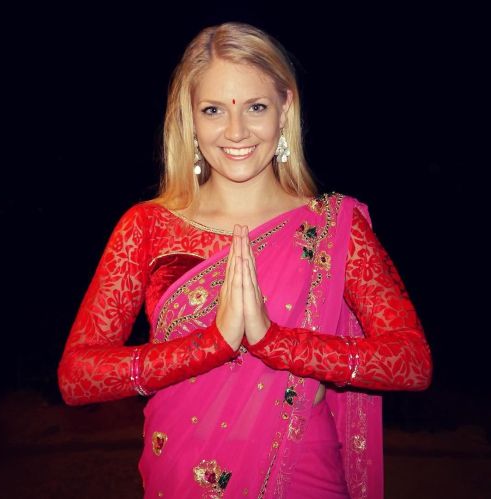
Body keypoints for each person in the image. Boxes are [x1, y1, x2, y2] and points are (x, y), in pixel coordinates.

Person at [58, 22, 432, 499]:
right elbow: (78, 377)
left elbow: (411, 361)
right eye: (214, 110)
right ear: (190, 118)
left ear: (285, 109)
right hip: (181, 473)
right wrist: (211, 345)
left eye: (255, 107)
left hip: (302, 475)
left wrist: (275, 342)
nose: (236, 131)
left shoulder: (331, 228)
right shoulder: (147, 227)